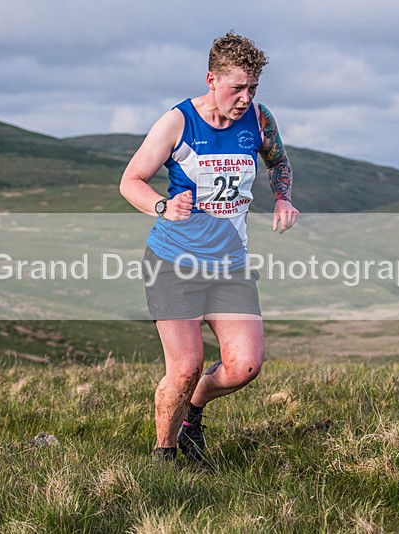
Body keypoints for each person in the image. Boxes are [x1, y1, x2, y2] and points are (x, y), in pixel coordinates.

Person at [119, 31, 299, 463]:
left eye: (253, 87)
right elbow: (130, 181)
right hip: (173, 261)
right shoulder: (178, 122)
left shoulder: (258, 119)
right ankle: (163, 457)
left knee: (245, 366)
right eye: (237, 87)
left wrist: (282, 197)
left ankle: (191, 417)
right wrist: (163, 205)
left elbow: (278, 161)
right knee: (185, 367)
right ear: (211, 79)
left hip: (230, 265)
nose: (245, 97)